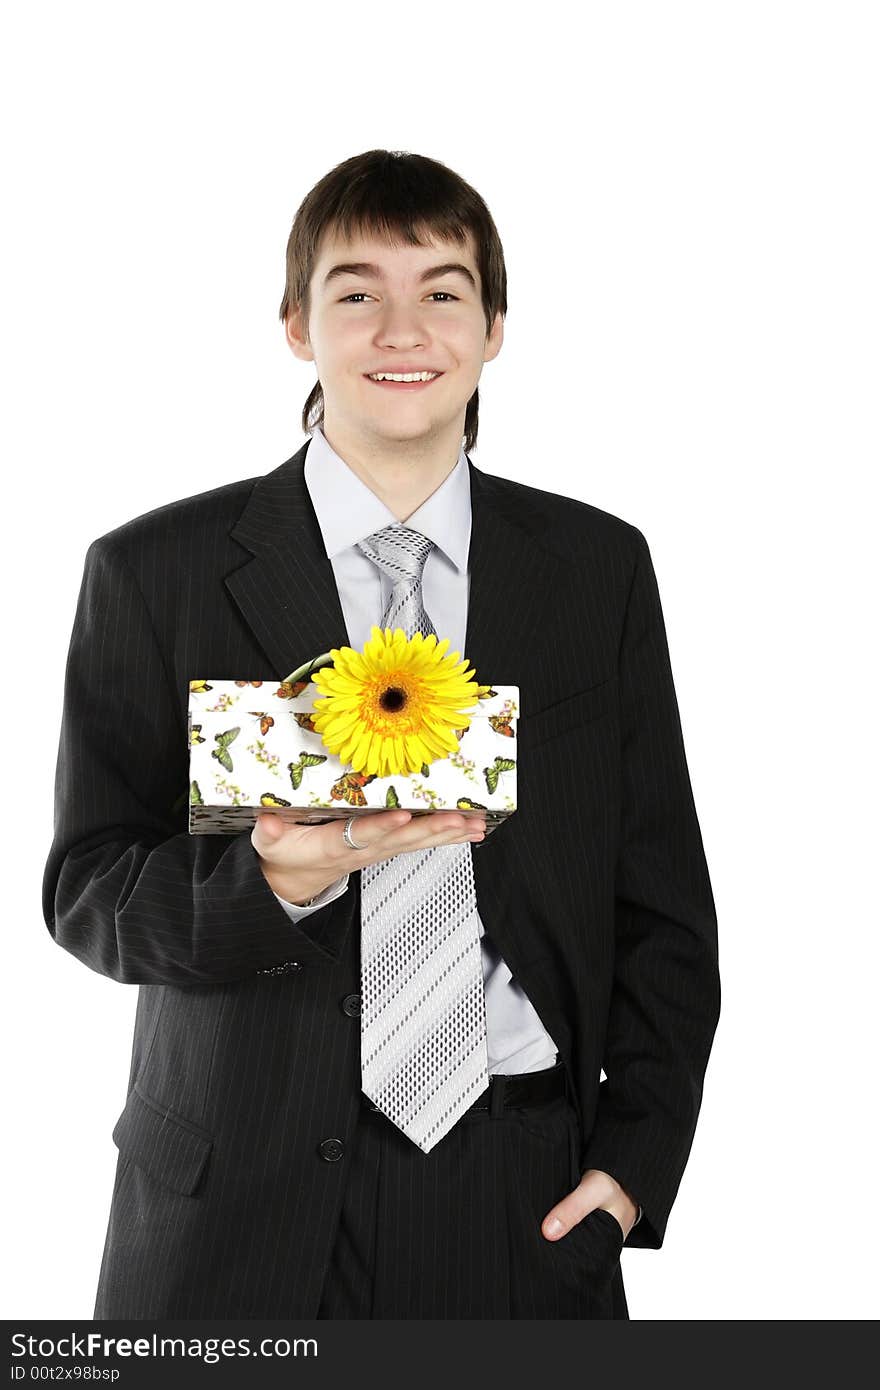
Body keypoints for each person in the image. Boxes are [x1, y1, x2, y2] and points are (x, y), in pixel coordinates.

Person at [42, 149, 720, 1320]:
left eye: (443, 290)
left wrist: (630, 1167)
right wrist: (265, 880)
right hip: (229, 1206)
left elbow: (660, 903)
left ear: (494, 325)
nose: (401, 327)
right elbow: (88, 889)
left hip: (519, 1194)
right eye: (356, 292)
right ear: (297, 325)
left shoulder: (595, 571)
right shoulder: (156, 572)